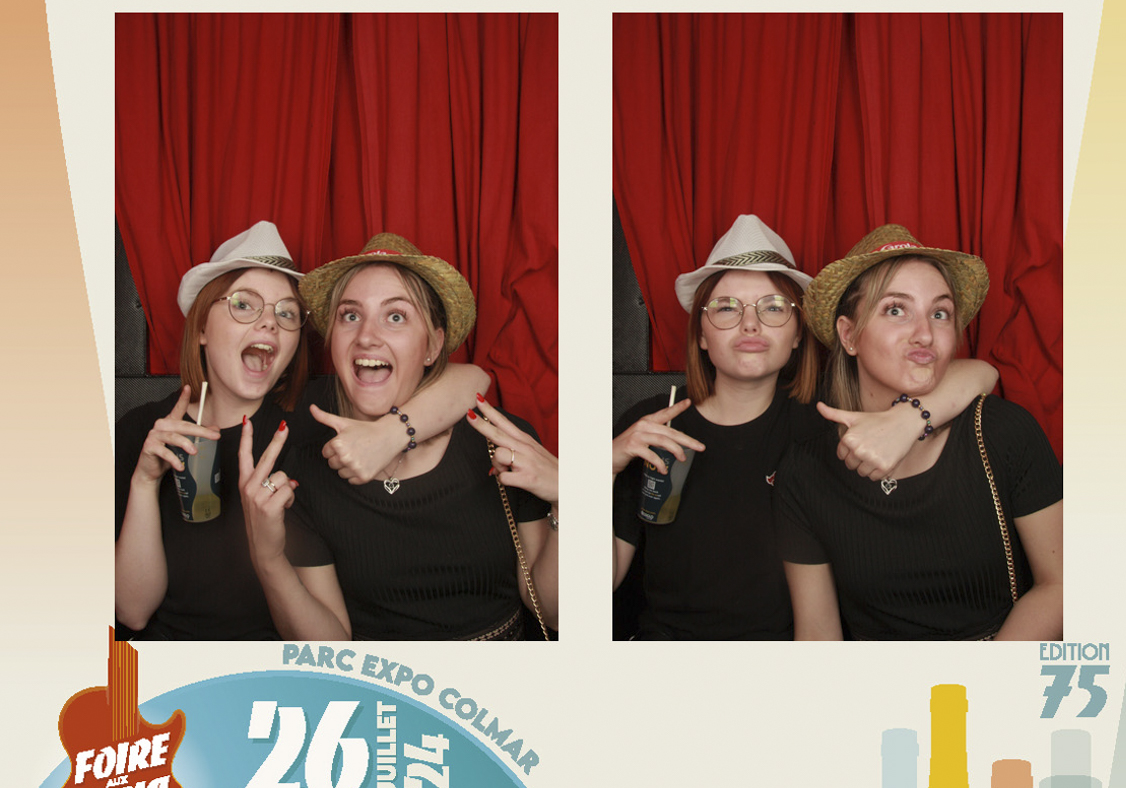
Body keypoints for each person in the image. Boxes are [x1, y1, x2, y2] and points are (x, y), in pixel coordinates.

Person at [611, 216, 997, 641]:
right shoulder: (652, 423)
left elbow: (981, 373)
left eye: (773, 307)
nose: (750, 324)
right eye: (726, 307)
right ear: (701, 335)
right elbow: (581, 595)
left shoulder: (826, 420)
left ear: (798, 333)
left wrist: (909, 418)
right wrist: (602, 469)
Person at [114, 223, 485, 641]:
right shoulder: (144, 430)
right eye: (244, 305)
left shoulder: (315, 419)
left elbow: (473, 380)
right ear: (201, 327)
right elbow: (133, 612)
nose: (269, 324)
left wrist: (390, 434)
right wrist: (145, 482)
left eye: (286, 313)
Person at [239, 234, 559, 640]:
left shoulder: (499, 441)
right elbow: (330, 649)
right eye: (350, 316)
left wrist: (567, 501)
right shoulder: (304, 467)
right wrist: (268, 558)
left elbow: (554, 613)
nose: (367, 336)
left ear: (433, 347)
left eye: (395, 316)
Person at [777, 225, 1063, 641]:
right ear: (849, 335)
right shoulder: (805, 472)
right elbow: (818, 637)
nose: (925, 333)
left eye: (940, 313)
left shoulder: (1003, 433)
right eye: (896, 309)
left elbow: (1061, 585)